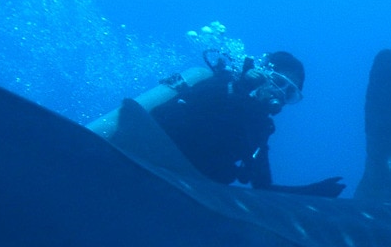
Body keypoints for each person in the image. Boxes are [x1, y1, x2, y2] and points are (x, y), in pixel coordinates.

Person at [147, 51, 343, 197]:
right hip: (150, 156)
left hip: (181, 186)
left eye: (290, 93)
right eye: (278, 82)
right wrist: (240, 88)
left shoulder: (260, 128)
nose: (280, 93)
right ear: (263, 75)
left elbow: (262, 187)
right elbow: (179, 112)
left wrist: (311, 193)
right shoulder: (225, 85)